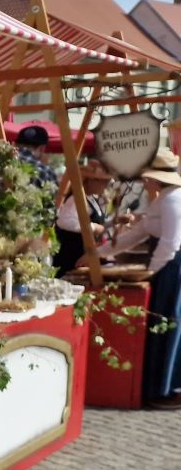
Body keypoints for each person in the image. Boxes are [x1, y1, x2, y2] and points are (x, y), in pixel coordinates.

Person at [110, 148, 181, 408]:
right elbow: (138, 233)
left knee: (169, 324)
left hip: (171, 268)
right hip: (165, 266)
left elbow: (171, 243)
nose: (144, 182)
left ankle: (168, 388)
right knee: (161, 324)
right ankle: (157, 385)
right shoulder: (163, 198)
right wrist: (100, 252)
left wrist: (152, 270)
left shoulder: (173, 199)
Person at [52, 158, 109, 276]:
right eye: (104, 182)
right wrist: (93, 227)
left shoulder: (91, 199)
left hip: (82, 256)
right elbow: (64, 222)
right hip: (71, 257)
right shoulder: (75, 200)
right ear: (90, 181)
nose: (106, 186)